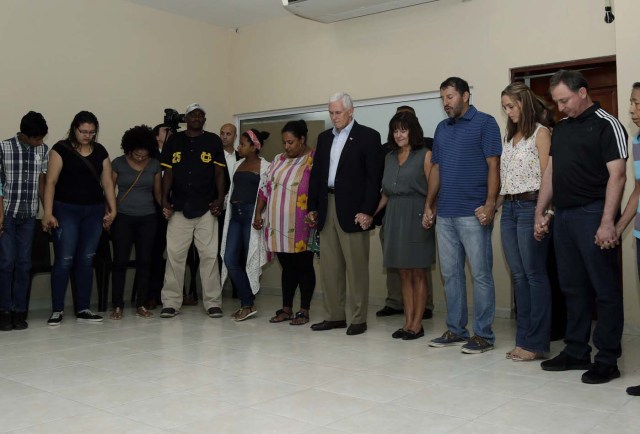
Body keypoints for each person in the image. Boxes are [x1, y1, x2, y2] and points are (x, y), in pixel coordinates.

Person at [535, 70, 627, 384]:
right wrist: (541, 211)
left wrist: (607, 222)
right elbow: (550, 174)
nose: (560, 107)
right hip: (564, 215)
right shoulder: (561, 129)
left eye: (564, 100)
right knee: (572, 287)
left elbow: (618, 176)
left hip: (594, 213)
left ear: (583, 92)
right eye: (557, 101)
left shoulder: (607, 124)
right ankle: (575, 351)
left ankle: (607, 359)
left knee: (604, 290)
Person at [424, 77, 502, 354]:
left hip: (473, 213)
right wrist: (429, 206)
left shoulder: (486, 123)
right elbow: (437, 170)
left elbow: (494, 166)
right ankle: (456, 330)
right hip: (444, 214)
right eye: (443, 98)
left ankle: (483, 335)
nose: (446, 103)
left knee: (480, 275)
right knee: (451, 274)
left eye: (450, 97)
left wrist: (491, 204)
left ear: (465, 96)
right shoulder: (441, 129)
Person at [307, 92, 384, 336]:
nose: (334, 117)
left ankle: (359, 318)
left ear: (351, 111)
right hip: (327, 206)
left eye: (338, 112)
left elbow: (374, 179)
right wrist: (312, 206)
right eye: (331, 112)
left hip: (354, 211)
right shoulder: (323, 138)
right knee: (329, 267)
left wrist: (368, 211)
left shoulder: (369, 137)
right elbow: (317, 175)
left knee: (357, 268)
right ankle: (334, 316)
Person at [42, 111, 117, 326]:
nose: (87, 136)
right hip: (66, 210)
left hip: (93, 211)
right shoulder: (60, 149)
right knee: (65, 259)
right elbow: (50, 182)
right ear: (74, 129)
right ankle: (57, 309)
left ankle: (83, 308)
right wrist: (47, 212)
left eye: (91, 132)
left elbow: (108, 183)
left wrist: (113, 209)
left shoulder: (100, 151)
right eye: (83, 131)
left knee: (86, 259)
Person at [499, 82, 554, 361]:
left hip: (531, 206)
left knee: (534, 275)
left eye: (511, 106)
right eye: (505, 107)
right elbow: (505, 178)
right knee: (518, 277)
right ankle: (523, 340)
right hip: (508, 209)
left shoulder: (541, 133)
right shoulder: (510, 137)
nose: (508, 112)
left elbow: (548, 176)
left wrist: (542, 212)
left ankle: (536, 343)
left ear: (524, 102)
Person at [159, 103, 226, 319]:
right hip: (178, 208)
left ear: (204, 119)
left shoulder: (213, 140)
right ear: (185, 119)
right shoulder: (174, 141)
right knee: (175, 256)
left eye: (201, 115)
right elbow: (167, 174)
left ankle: (213, 302)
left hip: (206, 208)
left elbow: (219, 173)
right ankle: (171, 302)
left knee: (209, 257)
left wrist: (220, 199)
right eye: (192, 115)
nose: (197, 118)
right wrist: (164, 201)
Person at [372, 111, 435, 340]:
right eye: (395, 130)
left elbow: (435, 188)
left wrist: (430, 211)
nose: (398, 134)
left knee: (418, 272)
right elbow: (386, 194)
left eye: (403, 129)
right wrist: (370, 214)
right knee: (404, 274)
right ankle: (407, 321)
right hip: (394, 216)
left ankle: (417, 324)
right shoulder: (389, 157)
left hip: (417, 215)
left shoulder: (425, 155)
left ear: (413, 131)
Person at [254, 120, 316, 325]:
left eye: (290, 142)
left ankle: (304, 310)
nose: (287, 147)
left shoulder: (313, 159)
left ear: (302, 139)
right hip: (277, 225)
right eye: (284, 143)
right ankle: (286, 308)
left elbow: (318, 192)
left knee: (304, 266)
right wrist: (258, 213)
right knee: (287, 267)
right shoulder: (278, 159)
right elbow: (264, 188)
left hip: (302, 224)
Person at [0, 111, 49, 331]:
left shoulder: (43, 151)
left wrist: (47, 211)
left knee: (24, 264)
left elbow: (42, 183)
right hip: (7, 214)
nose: (40, 142)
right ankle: (4, 311)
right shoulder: (4, 148)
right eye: (37, 138)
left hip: (29, 215)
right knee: (6, 263)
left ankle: (20, 311)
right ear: (25, 135)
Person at [109, 125, 162, 320]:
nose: (141, 158)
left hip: (148, 218)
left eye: (144, 155)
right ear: (129, 149)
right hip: (123, 217)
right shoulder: (118, 163)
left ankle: (141, 303)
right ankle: (117, 305)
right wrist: (109, 213)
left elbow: (158, 193)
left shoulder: (154, 164)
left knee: (144, 262)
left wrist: (165, 206)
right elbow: (109, 190)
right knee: (120, 261)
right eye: (137, 155)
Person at [221, 129, 270, 321]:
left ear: (253, 146)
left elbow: (265, 193)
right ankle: (248, 302)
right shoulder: (237, 164)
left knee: (250, 257)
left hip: (251, 215)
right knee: (230, 258)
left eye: (242, 144)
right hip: (235, 215)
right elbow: (231, 190)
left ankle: (247, 304)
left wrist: (259, 214)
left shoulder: (265, 166)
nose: (238, 147)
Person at [619, 82, 640, 396]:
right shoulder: (636, 141)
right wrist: (617, 225)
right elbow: (638, 190)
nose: (632, 110)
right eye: (632, 103)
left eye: (637, 103)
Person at [147, 124, 173, 309]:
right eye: (166, 131)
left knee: (176, 254)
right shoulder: (150, 156)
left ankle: (175, 294)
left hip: (176, 208)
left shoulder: (176, 152)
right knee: (155, 253)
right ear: (156, 136)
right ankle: (152, 295)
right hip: (154, 210)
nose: (170, 133)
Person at [219, 123, 239, 297]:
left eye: (228, 134)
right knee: (220, 248)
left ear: (235, 136)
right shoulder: (215, 155)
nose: (225, 137)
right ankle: (216, 288)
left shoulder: (242, 156)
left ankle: (238, 288)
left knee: (238, 249)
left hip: (238, 209)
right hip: (219, 210)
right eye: (222, 133)